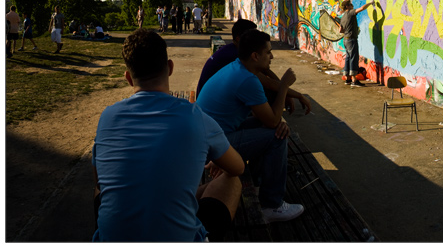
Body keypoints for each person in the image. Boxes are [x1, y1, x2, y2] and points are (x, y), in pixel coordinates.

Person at [92, 29, 245, 241]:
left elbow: (100, 181)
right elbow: (238, 167)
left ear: (128, 78)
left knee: (102, 192)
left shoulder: (107, 117)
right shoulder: (195, 116)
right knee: (233, 180)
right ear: (170, 67)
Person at [196, 29, 305, 223]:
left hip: (209, 135)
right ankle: (272, 205)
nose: (272, 56)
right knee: (276, 135)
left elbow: (270, 86)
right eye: (268, 52)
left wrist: (294, 94)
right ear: (255, 56)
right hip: (212, 145)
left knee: (272, 128)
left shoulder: (239, 67)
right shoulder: (246, 80)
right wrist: (285, 87)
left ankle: (258, 183)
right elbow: (272, 120)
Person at [197, 19, 312, 114]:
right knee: (275, 131)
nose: (256, 37)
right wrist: (286, 90)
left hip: (208, 108)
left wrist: (286, 91)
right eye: (252, 35)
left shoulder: (236, 53)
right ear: (239, 39)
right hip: (210, 114)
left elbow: (266, 72)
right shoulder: (236, 57)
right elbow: (268, 83)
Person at [328, 0, 376, 87]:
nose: (352, 5)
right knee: (354, 58)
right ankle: (354, 80)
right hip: (351, 39)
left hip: (345, 40)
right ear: (347, 6)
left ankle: (347, 78)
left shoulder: (343, 17)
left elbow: (340, 30)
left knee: (348, 58)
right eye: (350, 4)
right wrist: (370, 3)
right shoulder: (350, 13)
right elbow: (361, 8)